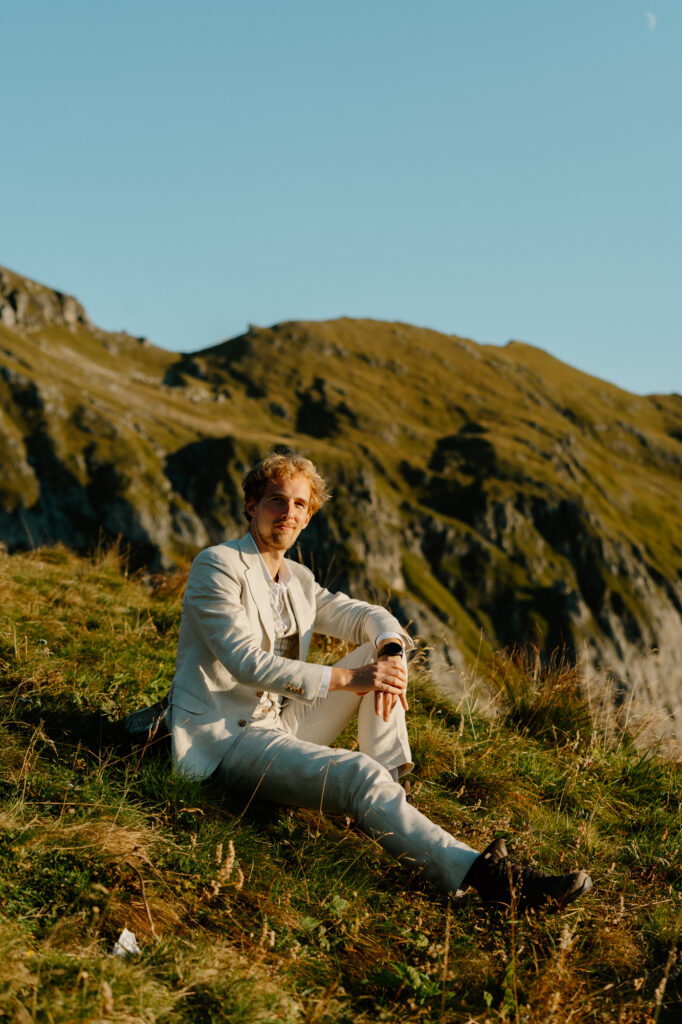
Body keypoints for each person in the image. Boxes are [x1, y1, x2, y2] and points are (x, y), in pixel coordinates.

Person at [167, 451, 592, 910]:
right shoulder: (218, 565)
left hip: (277, 725)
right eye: (276, 500)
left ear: (308, 518)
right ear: (251, 505)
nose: (287, 513)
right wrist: (349, 678)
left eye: (299, 506)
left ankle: (389, 791)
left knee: (381, 655)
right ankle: (492, 882)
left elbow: (366, 615)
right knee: (357, 773)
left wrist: (390, 649)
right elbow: (244, 662)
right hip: (227, 739)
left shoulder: (299, 580)